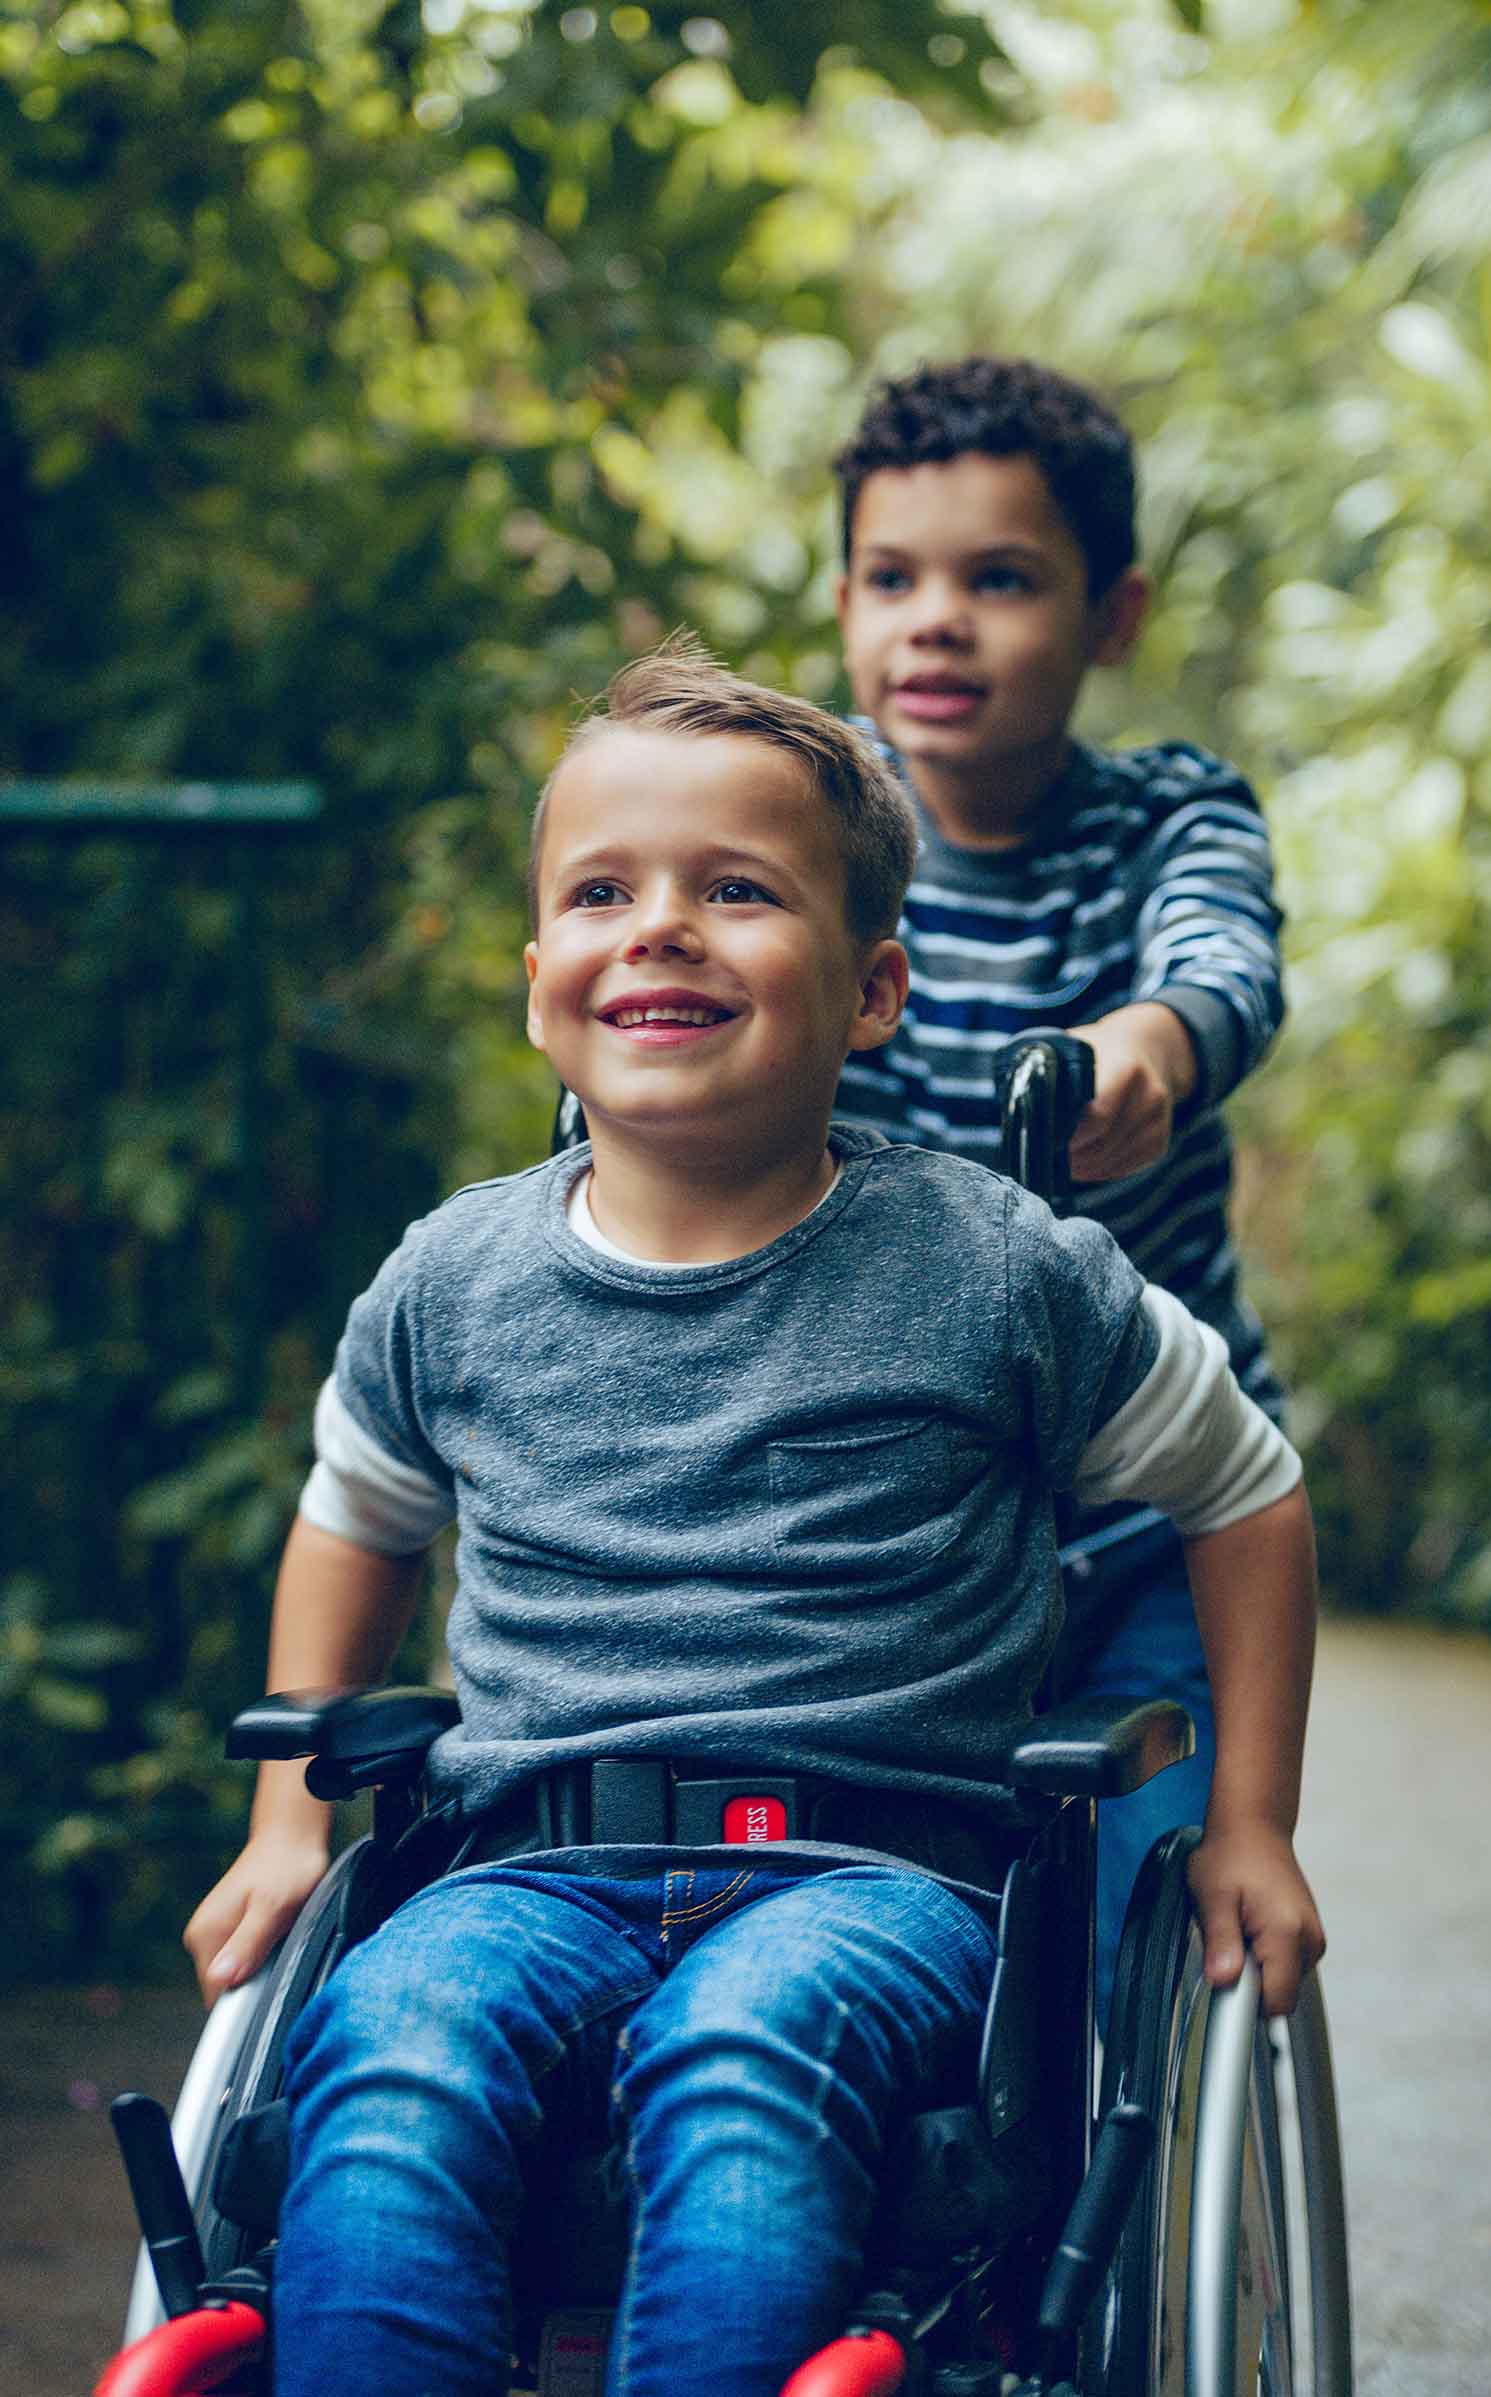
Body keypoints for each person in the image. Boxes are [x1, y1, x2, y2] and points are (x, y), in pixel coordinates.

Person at [183, 639, 1324, 2397]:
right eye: (602, 890)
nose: (660, 925)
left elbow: (1242, 1485)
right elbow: (359, 1507)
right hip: (532, 1864)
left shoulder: (998, 1270)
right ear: (542, 978)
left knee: (747, 2041)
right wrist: (283, 1828)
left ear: (872, 992)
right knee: (391, 2032)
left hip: (877, 1877)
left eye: (735, 888)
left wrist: (1246, 1819)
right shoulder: (456, 1277)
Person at [832, 355, 1288, 2014]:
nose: (935, 620)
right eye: (895, 578)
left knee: (1116, 1953)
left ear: (1113, 613)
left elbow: (1220, 961)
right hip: (892, 1529)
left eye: (999, 578)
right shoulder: (799, 844)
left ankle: (1096, 2261)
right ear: (845, 603)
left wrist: (1148, 1049)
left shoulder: (1170, 812)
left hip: (1148, 1523)